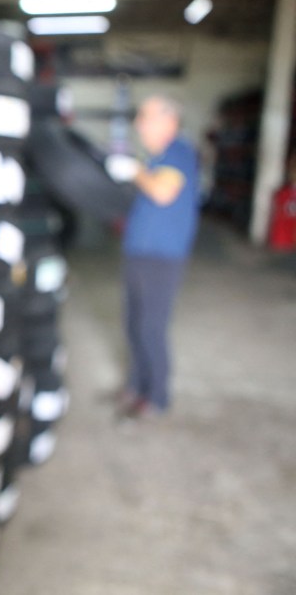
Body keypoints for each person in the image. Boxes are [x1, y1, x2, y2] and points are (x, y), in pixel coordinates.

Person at [104, 96, 200, 419]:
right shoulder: (158, 158)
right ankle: (135, 386)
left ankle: (157, 398)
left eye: (145, 117)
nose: (138, 124)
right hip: (139, 253)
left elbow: (163, 192)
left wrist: (134, 170)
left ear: (168, 120)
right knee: (133, 324)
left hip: (161, 257)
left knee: (150, 328)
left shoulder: (179, 152)